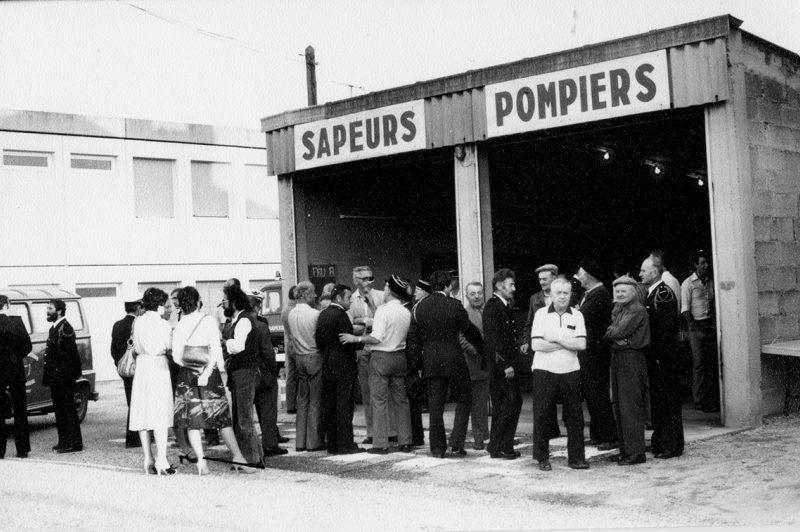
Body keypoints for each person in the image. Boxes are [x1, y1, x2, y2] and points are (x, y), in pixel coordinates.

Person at [173, 286, 255, 474]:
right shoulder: (208, 320)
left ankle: (202, 463)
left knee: (192, 420)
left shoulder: (179, 325)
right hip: (209, 376)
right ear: (198, 301)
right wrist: (205, 372)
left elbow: (177, 357)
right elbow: (216, 352)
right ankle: (238, 458)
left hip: (187, 375)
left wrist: (193, 368)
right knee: (222, 419)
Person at [407, 270, 483, 458]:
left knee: (435, 406)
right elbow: (469, 331)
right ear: (448, 286)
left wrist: (415, 367)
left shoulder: (418, 308)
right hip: (455, 361)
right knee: (465, 398)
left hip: (431, 363)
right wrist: (483, 348)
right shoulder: (454, 305)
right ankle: (457, 442)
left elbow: (413, 342)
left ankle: (437, 448)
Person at [341, 275, 414, 454]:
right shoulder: (405, 311)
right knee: (401, 401)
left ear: (388, 290)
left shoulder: (383, 310)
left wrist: (355, 338)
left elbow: (376, 337)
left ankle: (380, 443)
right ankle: (405, 440)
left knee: (378, 401)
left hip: (381, 357)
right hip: (399, 356)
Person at [530, 278, 589, 471]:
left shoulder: (577, 315)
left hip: (571, 370)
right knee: (542, 415)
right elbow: (536, 344)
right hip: (544, 370)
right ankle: (542, 457)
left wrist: (556, 337)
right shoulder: (540, 314)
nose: (562, 296)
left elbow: (581, 345)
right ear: (551, 294)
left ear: (570, 294)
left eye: (566, 293)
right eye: (558, 293)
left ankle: (577, 458)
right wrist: (567, 342)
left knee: (575, 416)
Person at [641, 254, 685, 459]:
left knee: (667, 401)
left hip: (663, 359)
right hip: (657, 358)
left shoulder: (663, 294)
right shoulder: (652, 294)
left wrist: (660, 356)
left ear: (655, 272)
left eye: (643, 270)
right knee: (659, 401)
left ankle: (672, 445)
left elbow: (667, 329)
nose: (640, 273)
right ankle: (661, 441)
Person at [604, 276, 650, 466]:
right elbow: (610, 332)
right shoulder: (621, 309)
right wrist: (614, 334)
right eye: (617, 291)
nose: (620, 294)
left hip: (631, 358)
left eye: (624, 291)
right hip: (620, 357)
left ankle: (636, 453)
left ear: (633, 292)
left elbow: (617, 332)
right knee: (620, 406)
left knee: (630, 406)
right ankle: (625, 450)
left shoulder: (637, 310)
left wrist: (614, 334)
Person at [129, 288, 176, 474]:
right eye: (164, 304)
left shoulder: (137, 322)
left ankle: (147, 458)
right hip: (158, 365)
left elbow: (135, 345)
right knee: (160, 413)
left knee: (143, 412)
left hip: (142, 366)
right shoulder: (163, 324)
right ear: (159, 304)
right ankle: (162, 461)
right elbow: (169, 346)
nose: (166, 307)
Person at [221, 284, 268, 466]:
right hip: (239, 371)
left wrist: (225, 342)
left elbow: (238, 346)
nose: (223, 303)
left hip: (245, 372)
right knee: (241, 417)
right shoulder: (239, 319)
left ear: (234, 302)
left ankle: (252, 458)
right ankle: (252, 455)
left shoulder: (244, 320)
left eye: (225, 300)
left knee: (244, 418)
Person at [574, 258, 618, 450]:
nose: (578, 277)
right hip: (589, 351)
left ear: (589, 275)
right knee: (591, 393)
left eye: (581, 273)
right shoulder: (590, 293)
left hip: (596, 352)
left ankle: (609, 435)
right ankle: (597, 433)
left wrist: (575, 313)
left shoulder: (599, 294)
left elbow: (581, 317)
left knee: (598, 393)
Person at [316, 284, 363, 455]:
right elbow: (347, 341)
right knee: (344, 407)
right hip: (344, 367)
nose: (351, 301)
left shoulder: (323, 314)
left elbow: (319, 342)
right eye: (348, 297)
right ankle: (346, 444)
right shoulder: (341, 316)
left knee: (331, 407)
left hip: (328, 365)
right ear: (339, 298)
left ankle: (333, 444)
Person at [484, 270, 523, 460]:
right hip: (501, 367)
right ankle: (497, 445)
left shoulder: (503, 305)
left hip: (505, 365)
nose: (513, 289)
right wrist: (505, 365)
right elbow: (493, 341)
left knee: (505, 405)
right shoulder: (493, 307)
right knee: (511, 402)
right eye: (510, 285)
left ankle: (502, 445)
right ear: (499, 285)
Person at [521, 264, 561, 440]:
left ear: (555, 278)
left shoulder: (565, 295)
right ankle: (550, 429)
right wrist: (525, 341)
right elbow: (529, 322)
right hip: (543, 349)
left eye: (545, 278)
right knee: (545, 389)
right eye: (540, 279)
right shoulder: (534, 298)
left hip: (562, 348)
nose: (542, 282)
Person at [348, 265, 387, 444]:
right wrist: (369, 324)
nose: (368, 282)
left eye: (370, 278)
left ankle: (386, 430)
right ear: (356, 280)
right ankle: (372, 432)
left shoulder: (381, 295)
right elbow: (350, 326)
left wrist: (363, 321)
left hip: (379, 348)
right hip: (362, 348)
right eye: (363, 278)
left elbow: (383, 322)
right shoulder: (351, 299)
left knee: (383, 392)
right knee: (367, 392)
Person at [246, 291, 287, 457]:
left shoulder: (231, 323)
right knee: (268, 410)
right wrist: (273, 369)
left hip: (244, 374)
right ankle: (270, 444)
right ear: (256, 307)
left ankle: (247, 446)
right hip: (263, 372)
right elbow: (268, 352)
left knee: (245, 413)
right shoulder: (261, 325)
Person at [42, 299, 83, 454]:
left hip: (64, 378)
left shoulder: (65, 328)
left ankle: (74, 443)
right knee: (59, 409)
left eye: (50, 308)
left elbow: (72, 355)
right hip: (56, 377)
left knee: (68, 409)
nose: (47, 311)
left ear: (59, 311)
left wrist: (72, 376)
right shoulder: (55, 328)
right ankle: (64, 440)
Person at [681, 250, 720, 413]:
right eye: (702, 263)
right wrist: (696, 330)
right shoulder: (688, 283)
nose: (706, 266)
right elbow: (684, 310)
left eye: (706, 262)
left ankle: (711, 397)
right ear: (695, 265)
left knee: (712, 361)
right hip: (695, 325)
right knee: (699, 363)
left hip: (710, 323)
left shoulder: (711, 281)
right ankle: (698, 398)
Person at [288, 281, 324, 452]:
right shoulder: (315, 314)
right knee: (315, 400)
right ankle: (313, 441)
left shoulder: (291, 313)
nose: (315, 296)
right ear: (307, 294)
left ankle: (300, 442)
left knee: (302, 400)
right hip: (314, 355)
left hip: (299, 357)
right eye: (313, 293)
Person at [110, 291, 144, 448]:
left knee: (131, 401)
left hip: (124, 369)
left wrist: (119, 363)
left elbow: (113, 350)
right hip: (139, 368)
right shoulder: (138, 324)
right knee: (140, 402)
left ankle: (132, 437)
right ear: (137, 307)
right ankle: (136, 437)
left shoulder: (117, 324)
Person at [0, 295, 32, 459]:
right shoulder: (17, 321)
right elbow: (27, 346)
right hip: (15, 370)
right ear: (7, 304)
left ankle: (0, 451)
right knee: (20, 410)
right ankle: (22, 449)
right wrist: (15, 357)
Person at [461, 281, 489, 450]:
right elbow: (461, 338)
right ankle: (478, 437)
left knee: (486, 402)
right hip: (474, 363)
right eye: (473, 294)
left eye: (479, 293)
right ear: (467, 296)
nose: (477, 296)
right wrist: (476, 350)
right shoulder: (464, 314)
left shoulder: (489, 311)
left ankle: (486, 434)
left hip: (492, 363)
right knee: (478, 404)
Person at [406, 279, 432, 447]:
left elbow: (416, 340)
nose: (415, 293)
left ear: (425, 292)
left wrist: (416, 364)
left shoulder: (418, 308)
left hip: (420, 360)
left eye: (418, 290)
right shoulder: (428, 306)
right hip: (429, 358)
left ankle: (417, 437)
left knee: (414, 399)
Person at [281, 285, 298, 414]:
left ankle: (290, 405)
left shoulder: (285, 309)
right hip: (297, 344)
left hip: (289, 344)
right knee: (303, 375)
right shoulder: (295, 310)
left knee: (291, 375)